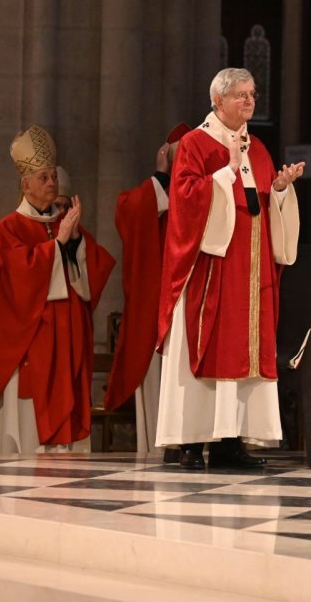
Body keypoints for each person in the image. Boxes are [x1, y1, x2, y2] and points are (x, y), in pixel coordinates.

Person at [156, 68, 302, 469]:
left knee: (246, 352)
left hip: (251, 273)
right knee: (209, 349)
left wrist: (280, 191)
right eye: (240, 94)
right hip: (211, 269)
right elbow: (184, 198)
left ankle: (230, 442)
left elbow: (260, 209)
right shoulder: (195, 143)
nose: (249, 100)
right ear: (217, 100)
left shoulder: (259, 149)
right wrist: (226, 171)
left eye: (252, 94)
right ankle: (191, 443)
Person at [0, 125, 114, 453]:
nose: (52, 183)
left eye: (53, 176)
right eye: (43, 177)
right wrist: (57, 245)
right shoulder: (8, 229)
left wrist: (75, 241)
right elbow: (14, 280)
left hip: (66, 340)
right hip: (32, 341)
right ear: (25, 185)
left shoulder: (65, 224)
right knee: (30, 432)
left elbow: (92, 272)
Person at [105, 124, 189, 456]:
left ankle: (194, 447)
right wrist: (159, 176)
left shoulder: (204, 193)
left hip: (192, 308)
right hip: (156, 310)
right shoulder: (151, 196)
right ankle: (158, 450)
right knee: (157, 380)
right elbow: (128, 212)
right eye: (177, 158)